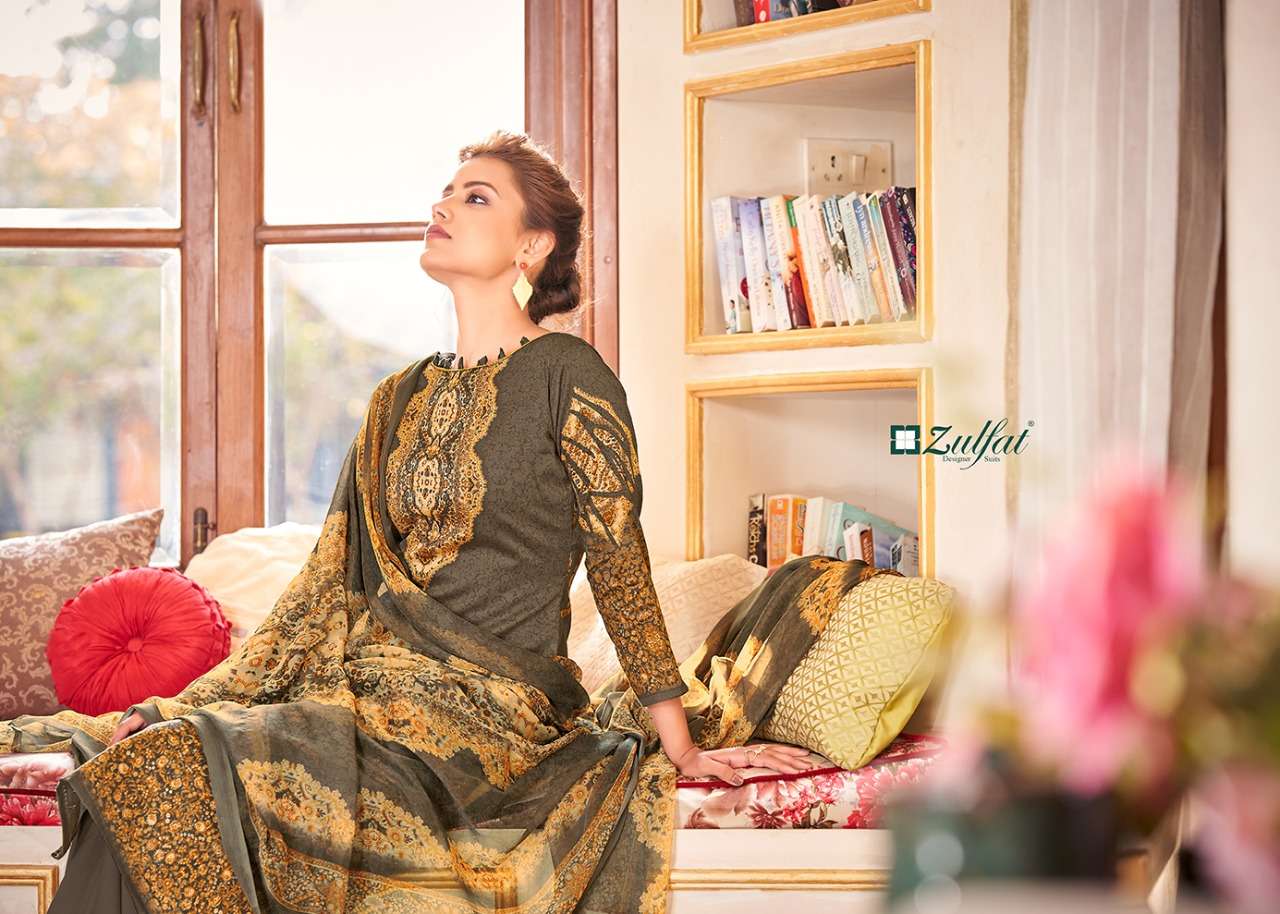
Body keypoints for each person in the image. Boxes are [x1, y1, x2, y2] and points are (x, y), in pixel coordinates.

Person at [2, 130, 897, 914]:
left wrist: (679, 742)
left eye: (476, 197)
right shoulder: (395, 398)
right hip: (364, 693)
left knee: (178, 766)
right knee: (149, 760)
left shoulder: (570, 374)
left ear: (532, 244)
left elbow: (619, 563)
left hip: (495, 715)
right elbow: (324, 590)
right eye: (445, 191)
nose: (443, 206)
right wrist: (191, 703)